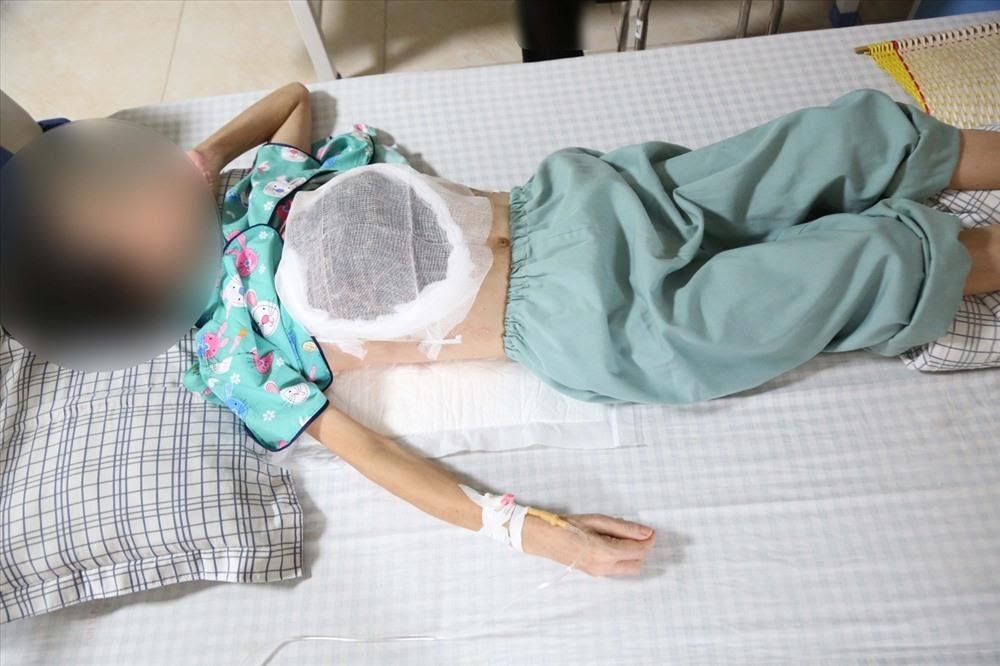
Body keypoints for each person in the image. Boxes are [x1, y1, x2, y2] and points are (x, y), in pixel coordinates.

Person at [7, 82, 1000, 576]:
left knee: (843, 140)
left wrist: (197, 169)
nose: (130, 179)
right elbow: (371, 454)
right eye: (110, 211)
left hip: (587, 201)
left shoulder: (243, 182)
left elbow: (292, 96)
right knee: (864, 268)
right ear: (126, 290)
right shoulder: (234, 353)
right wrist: (530, 530)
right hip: (601, 321)